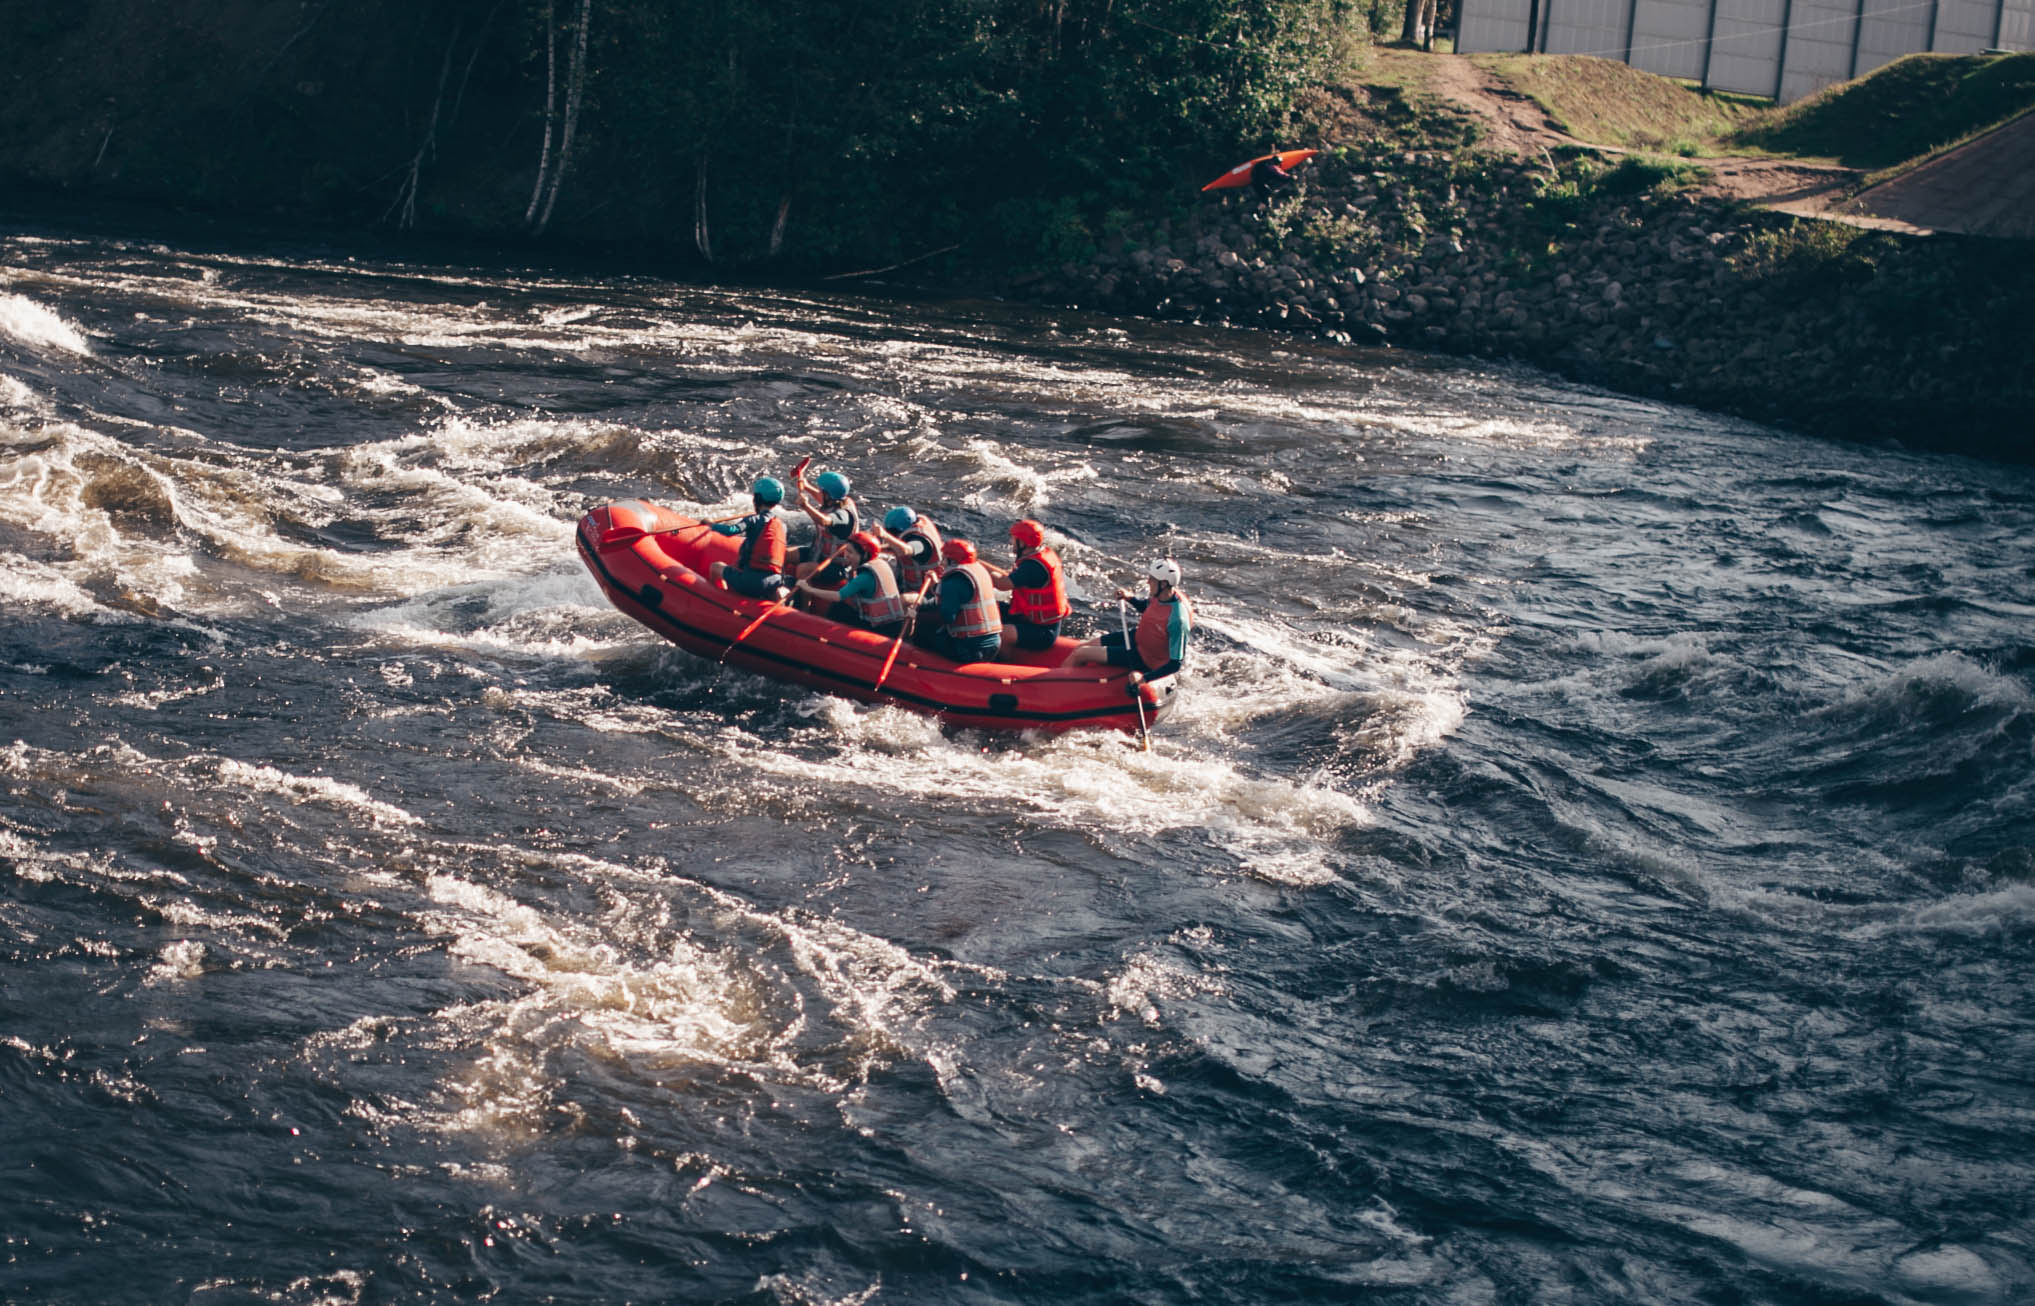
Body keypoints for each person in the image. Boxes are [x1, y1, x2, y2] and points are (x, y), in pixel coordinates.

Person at [1066, 558, 1191, 685]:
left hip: (1143, 659)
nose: (1148, 581)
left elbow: (1175, 664)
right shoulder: (1160, 596)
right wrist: (1130, 598)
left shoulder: (1178, 620)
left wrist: (1144, 679)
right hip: (1136, 639)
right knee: (1081, 647)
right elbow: (1148, 608)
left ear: (1163, 584)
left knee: (1080, 654)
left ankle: (1059, 690)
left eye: (1152, 579)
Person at [795, 531, 908, 638]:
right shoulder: (880, 562)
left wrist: (808, 589)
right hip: (889, 623)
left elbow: (838, 596)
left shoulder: (865, 577)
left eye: (850, 552)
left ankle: (824, 636)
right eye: (846, 551)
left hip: (883, 628)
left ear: (863, 555)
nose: (846, 555)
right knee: (843, 608)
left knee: (837, 608)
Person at [986, 518, 1071, 655]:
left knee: (1001, 634)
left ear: (1022, 542)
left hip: (1042, 632)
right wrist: (978, 563)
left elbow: (1003, 584)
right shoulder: (1036, 557)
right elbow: (1008, 577)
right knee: (987, 608)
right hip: (1026, 617)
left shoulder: (1034, 567)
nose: (1011, 542)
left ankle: (1001, 663)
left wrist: (976, 565)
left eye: (1014, 539)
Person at [916, 538, 1002, 664]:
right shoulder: (977, 570)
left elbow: (947, 617)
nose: (941, 563)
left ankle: (920, 665)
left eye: (944, 559)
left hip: (971, 649)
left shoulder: (952, 581)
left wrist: (918, 612)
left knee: (924, 632)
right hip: (994, 644)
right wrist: (934, 589)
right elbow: (961, 597)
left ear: (952, 560)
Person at [706, 477, 790, 600]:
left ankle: (720, 600)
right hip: (774, 581)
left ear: (757, 498)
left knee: (716, 567)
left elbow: (731, 531)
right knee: (737, 569)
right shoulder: (782, 526)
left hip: (751, 582)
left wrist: (710, 524)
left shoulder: (754, 519)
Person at [788, 468, 860, 582]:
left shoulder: (844, 515)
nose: (819, 491)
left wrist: (805, 506)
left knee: (803, 570)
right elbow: (822, 498)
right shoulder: (838, 499)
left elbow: (824, 521)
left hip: (837, 568)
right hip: (818, 554)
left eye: (821, 490)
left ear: (828, 495)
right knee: (785, 554)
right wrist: (806, 486)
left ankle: (803, 600)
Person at [875, 505, 944, 592]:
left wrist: (885, 535)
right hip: (910, 585)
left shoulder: (921, 542)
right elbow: (897, 546)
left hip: (927, 591)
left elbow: (905, 550)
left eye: (892, 533)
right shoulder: (912, 529)